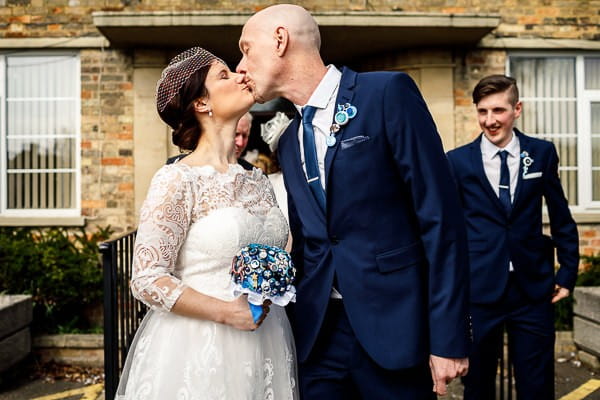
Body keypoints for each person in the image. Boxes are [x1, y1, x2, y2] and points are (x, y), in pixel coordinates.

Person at [237, 5, 470, 398]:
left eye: (246, 49)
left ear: (280, 41)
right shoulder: (289, 142)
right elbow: (311, 241)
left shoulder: (386, 94)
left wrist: (449, 337)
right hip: (318, 337)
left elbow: (441, 218)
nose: (241, 65)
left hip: (395, 330)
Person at [116, 47, 298, 400]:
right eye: (224, 75)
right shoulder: (177, 179)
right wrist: (228, 313)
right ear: (201, 103)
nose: (241, 76)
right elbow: (147, 278)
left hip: (268, 338)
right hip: (199, 346)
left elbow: (281, 244)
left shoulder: (257, 181)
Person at [446, 75, 579, 399]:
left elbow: (560, 214)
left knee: (537, 384)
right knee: (477, 385)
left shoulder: (542, 153)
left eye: (498, 110)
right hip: (479, 290)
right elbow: (449, 229)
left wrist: (568, 271)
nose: (489, 121)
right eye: (482, 111)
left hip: (532, 290)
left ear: (516, 109)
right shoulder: (457, 161)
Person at [167, 112, 255, 170]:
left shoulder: (253, 174)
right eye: (236, 134)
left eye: (245, 136)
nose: (241, 143)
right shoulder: (177, 167)